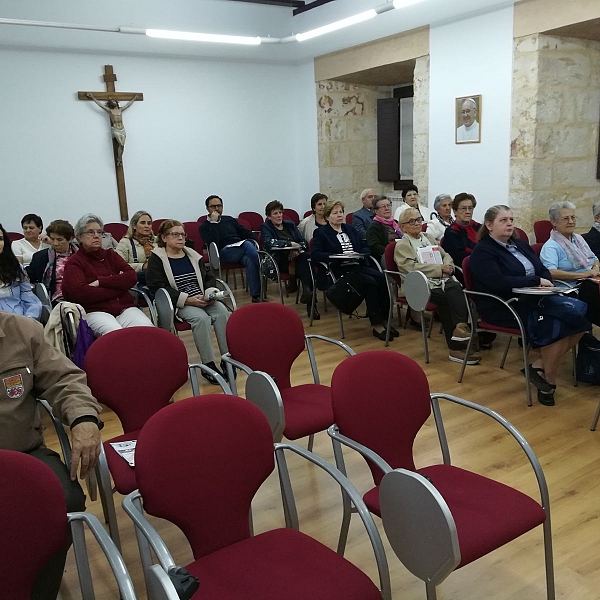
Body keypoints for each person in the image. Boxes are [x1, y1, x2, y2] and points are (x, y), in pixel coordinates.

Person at [0, 310, 101, 600]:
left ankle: (38, 589)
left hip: (24, 452)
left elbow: (66, 380)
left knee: (64, 499)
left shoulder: (22, 330)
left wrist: (83, 419)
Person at [469, 205, 588, 406]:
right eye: (503, 220)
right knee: (555, 323)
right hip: (503, 305)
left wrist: (542, 281)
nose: (509, 224)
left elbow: (543, 269)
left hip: (532, 298)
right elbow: (497, 282)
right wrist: (534, 282)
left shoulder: (520, 244)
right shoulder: (483, 251)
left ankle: (540, 367)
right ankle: (549, 380)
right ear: (489, 225)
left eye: (511, 220)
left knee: (581, 321)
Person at [147, 220, 230, 384]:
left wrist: (209, 294)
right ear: (163, 237)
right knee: (201, 319)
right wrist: (187, 300)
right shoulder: (157, 258)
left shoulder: (192, 254)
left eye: (182, 234)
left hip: (202, 297)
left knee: (222, 312)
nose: (180, 238)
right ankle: (209, 365)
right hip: (180, 302)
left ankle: (227, 359)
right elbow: (157, 286)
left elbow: (208, 277)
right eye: (175, 234)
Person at [394, 208, 480, 365]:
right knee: (449, 297)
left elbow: (445, 255)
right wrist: (439, 269)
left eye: (419, 219)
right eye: (411, 221)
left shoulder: (428, 238)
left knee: (455, 289)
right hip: (418, 286)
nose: (416, 223)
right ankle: (457, 345)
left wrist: (447, 265)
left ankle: (459, 333)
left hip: (440, 281)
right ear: (403, 226)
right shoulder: (402, 245)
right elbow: (410, 268)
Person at [312, 199, 393, 341]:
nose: (339, 215)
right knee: (369, 283)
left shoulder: (350, 229)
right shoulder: (321, 233)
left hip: (357, 266)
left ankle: (384, 318)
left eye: (341, 212)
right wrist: (338, 256)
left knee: (381, 277)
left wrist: (361, 254)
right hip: (339, 270)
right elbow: (316, 254)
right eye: (335, 213)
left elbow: (365, 246)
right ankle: (376, 325)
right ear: (327, 216)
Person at [62, 213, 154, 335]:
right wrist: (119, 287)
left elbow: (131, 276)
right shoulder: (74, 262)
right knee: (115, 334)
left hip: (124, 308)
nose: (96, 236)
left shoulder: (111, 255)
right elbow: (80, 294)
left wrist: (101, 282)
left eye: (99, 232)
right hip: (94, 311)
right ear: (79, 237)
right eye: (90, 232)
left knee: (148, 330)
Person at [540, 201, 600, 326]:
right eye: (566, 218)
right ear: (554, 222)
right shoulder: (551, 246)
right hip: (571, 288)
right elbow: (550, 272)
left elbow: (594, 258)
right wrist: (584, 274)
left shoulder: (578, 239)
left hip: (590, 280)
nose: (571, 222)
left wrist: (595, 268)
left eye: (573, 217)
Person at [199, 195, 261, 303]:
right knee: (247, 245)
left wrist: (253, 240)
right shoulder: (204, 226)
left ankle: (256, 296)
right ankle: (263, 266)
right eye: (213, 206)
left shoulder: (229, 220)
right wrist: (213, 223)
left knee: (250, 260)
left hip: (240, 249)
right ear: (207, 209)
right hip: (222, 252)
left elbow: (245, 232)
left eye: (219, 206)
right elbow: (212, 242)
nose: (217, 209)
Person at [260, 201, 317, 317]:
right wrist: (290, 244)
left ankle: (309, 296)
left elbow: (303, 242)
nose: (279, 215)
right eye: (275, 213)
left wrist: (296, 251)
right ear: (269, 216)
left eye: (280, 212)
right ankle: (310, 302)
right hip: (279, 261)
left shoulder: (290, 225)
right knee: (307, 264)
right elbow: (268, 243)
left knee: (305, 259)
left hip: (296, 259)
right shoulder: (266, 227)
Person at [27, 220, 78, 304]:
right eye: (52, 239)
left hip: (81, 296)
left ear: (70, 239)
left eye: (59, 239)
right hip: (56, 299)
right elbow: (28, 276)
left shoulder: (81, 255)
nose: (55, 243)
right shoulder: (41, 257)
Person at [0, 223, 42, 319]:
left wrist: (30, 318)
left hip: (19, 319)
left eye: (0, 239)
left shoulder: (16, 267)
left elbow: (27, 295)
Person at [86, 93, 140, 166]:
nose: (113, 102)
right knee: (120, 143)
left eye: (114, 101)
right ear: (110, 104)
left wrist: (134, 98)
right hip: (116, 130)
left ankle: (119, 158)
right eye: (112, 102)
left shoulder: (120, 109)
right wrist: (92, 97)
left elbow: (128, 105)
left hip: (122, 129)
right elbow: (100, 105)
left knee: (122, 145)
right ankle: (119, 159)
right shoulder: (110, 111)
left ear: (117, 103)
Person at [115, 210, 156, 286]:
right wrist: (142, 266)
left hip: (158, 278)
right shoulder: (125, 242)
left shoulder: (156, 241)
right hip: (138, 282)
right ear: (134, 225)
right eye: (143, 223)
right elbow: (118, 267)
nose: (147, 226)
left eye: (149, 223)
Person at [441, 193, 480, 268]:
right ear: (455, 211)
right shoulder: (451, 232)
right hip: (468, 268)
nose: (468, 211)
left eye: (470, 208)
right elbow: (459, 258)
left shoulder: (479, 227)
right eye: (464, 208)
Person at [366, 195, 402, 263]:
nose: (387, 208)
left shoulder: (396, 223)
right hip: (388, 257)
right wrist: (391, 253)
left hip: (402, 253)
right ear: (376, 211)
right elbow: (375, 247)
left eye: (388, 205)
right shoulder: (374, 226)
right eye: (383, 207)